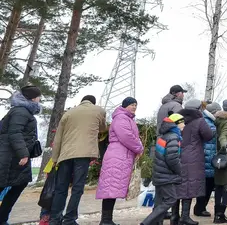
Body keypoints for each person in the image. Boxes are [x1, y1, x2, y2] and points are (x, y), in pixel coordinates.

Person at [50, 95, 107, 225]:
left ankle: (54, 219)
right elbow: (103, 128)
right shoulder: (99, 110)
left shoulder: (68, 113)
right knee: (77, 187)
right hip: (83, 154)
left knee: (61, 188)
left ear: (81, 102)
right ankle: (69, 218)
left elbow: (58, 137)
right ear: (93, 102)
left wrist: (54, 158)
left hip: (65, 155)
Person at [96, 97, 144, 225]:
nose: (134, 107)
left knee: (113, 188)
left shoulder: (126, 118)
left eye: (136, 105)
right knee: (110, 188)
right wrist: (139, 148)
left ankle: (107, 220)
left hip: (122, 155)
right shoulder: (121, 118)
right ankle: (105, 220)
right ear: (125, 106)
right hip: (118, 156)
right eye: (132, 104)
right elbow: (126, 136)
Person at [0, 86, 42, 224]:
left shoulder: (22, 111)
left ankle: (2, 218)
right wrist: (23, 154)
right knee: (9, 185)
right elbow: (15, 133)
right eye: (38, 96)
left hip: (13, 156)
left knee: (19, 184)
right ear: (33, 98)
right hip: (10, 157)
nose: (40, 99)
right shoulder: (21, 111)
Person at [176, 99, 215, 225]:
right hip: (194, 156)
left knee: (178, 186)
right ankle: (185, 217)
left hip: (177, 154)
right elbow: (208, 135)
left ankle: (175, 216)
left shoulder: (177, 120)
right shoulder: (199, 120)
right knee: (189, 185)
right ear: (198, 109)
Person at [141, 113, 184, 225]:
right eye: (182, 122)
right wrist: (180, 170)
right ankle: (146, 223)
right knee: (170, 199)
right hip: (167, 175)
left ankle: (156, 223)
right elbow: (172, 158)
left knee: (159, 202)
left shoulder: (164, 136)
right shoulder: (174, 137)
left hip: (159, 174)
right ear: (176, 124)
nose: (184, 125)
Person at [191, 101, 219, 218]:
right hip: (208, 156)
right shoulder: (209, 122)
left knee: (206, 183)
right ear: (214, 112)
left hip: (206, 155)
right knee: (207, 183)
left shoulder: (206, 120)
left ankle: (200, 207)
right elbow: (210, 137)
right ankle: (200, 208)